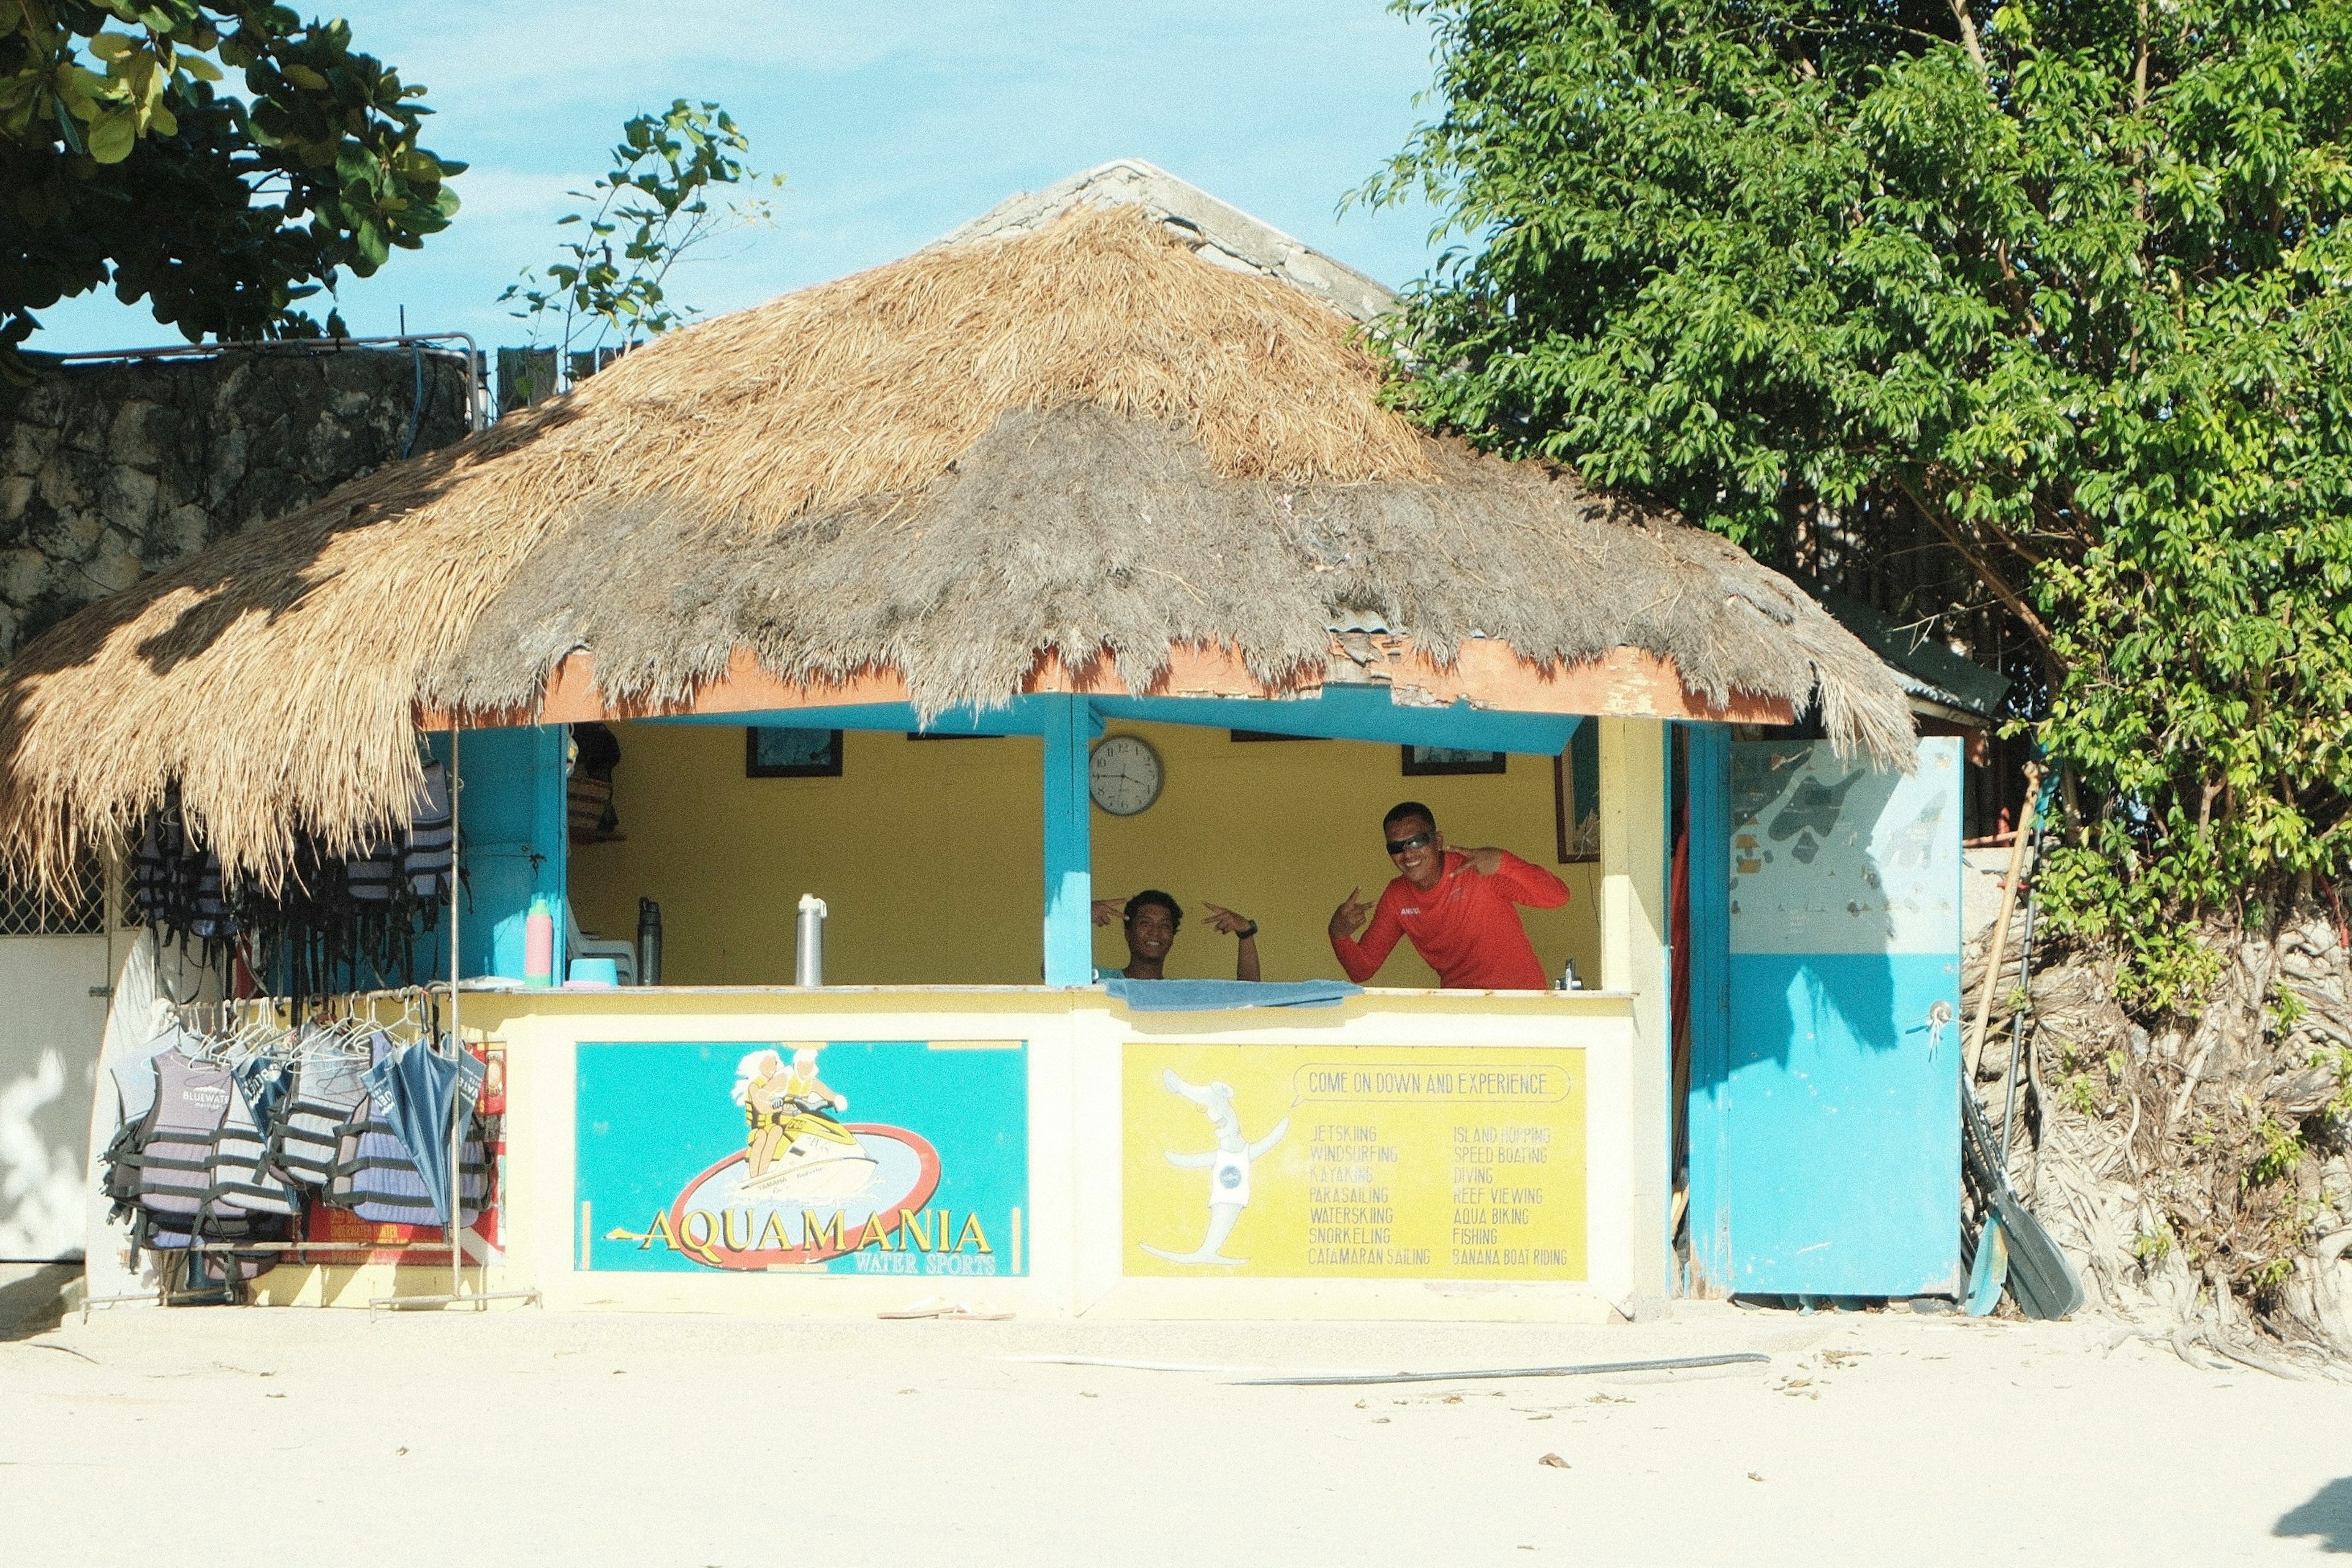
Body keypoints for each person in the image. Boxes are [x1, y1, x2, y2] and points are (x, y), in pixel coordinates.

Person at [1327, 801, 1569, 989]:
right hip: (1459, 1008)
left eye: (1416, 842)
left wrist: (1505, 861)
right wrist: (1338, 935)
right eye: (1396, 847)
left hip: (1521, 1002)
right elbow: (1362, 970)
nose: (1408, 855)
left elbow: (1559, 896)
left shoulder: (1478, 869)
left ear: (1438, 840)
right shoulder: (1397, 896)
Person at [1091, 889, 1261, 981]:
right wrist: (1078, 916)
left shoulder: (1178, 993)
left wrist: (1246, 932)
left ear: (1172, 936)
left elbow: (1250, 997)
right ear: (1128, 933)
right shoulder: (1101, 981)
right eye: (1146, 923)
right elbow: (1064, 979)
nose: (1155, 932)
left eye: (1165, 925)